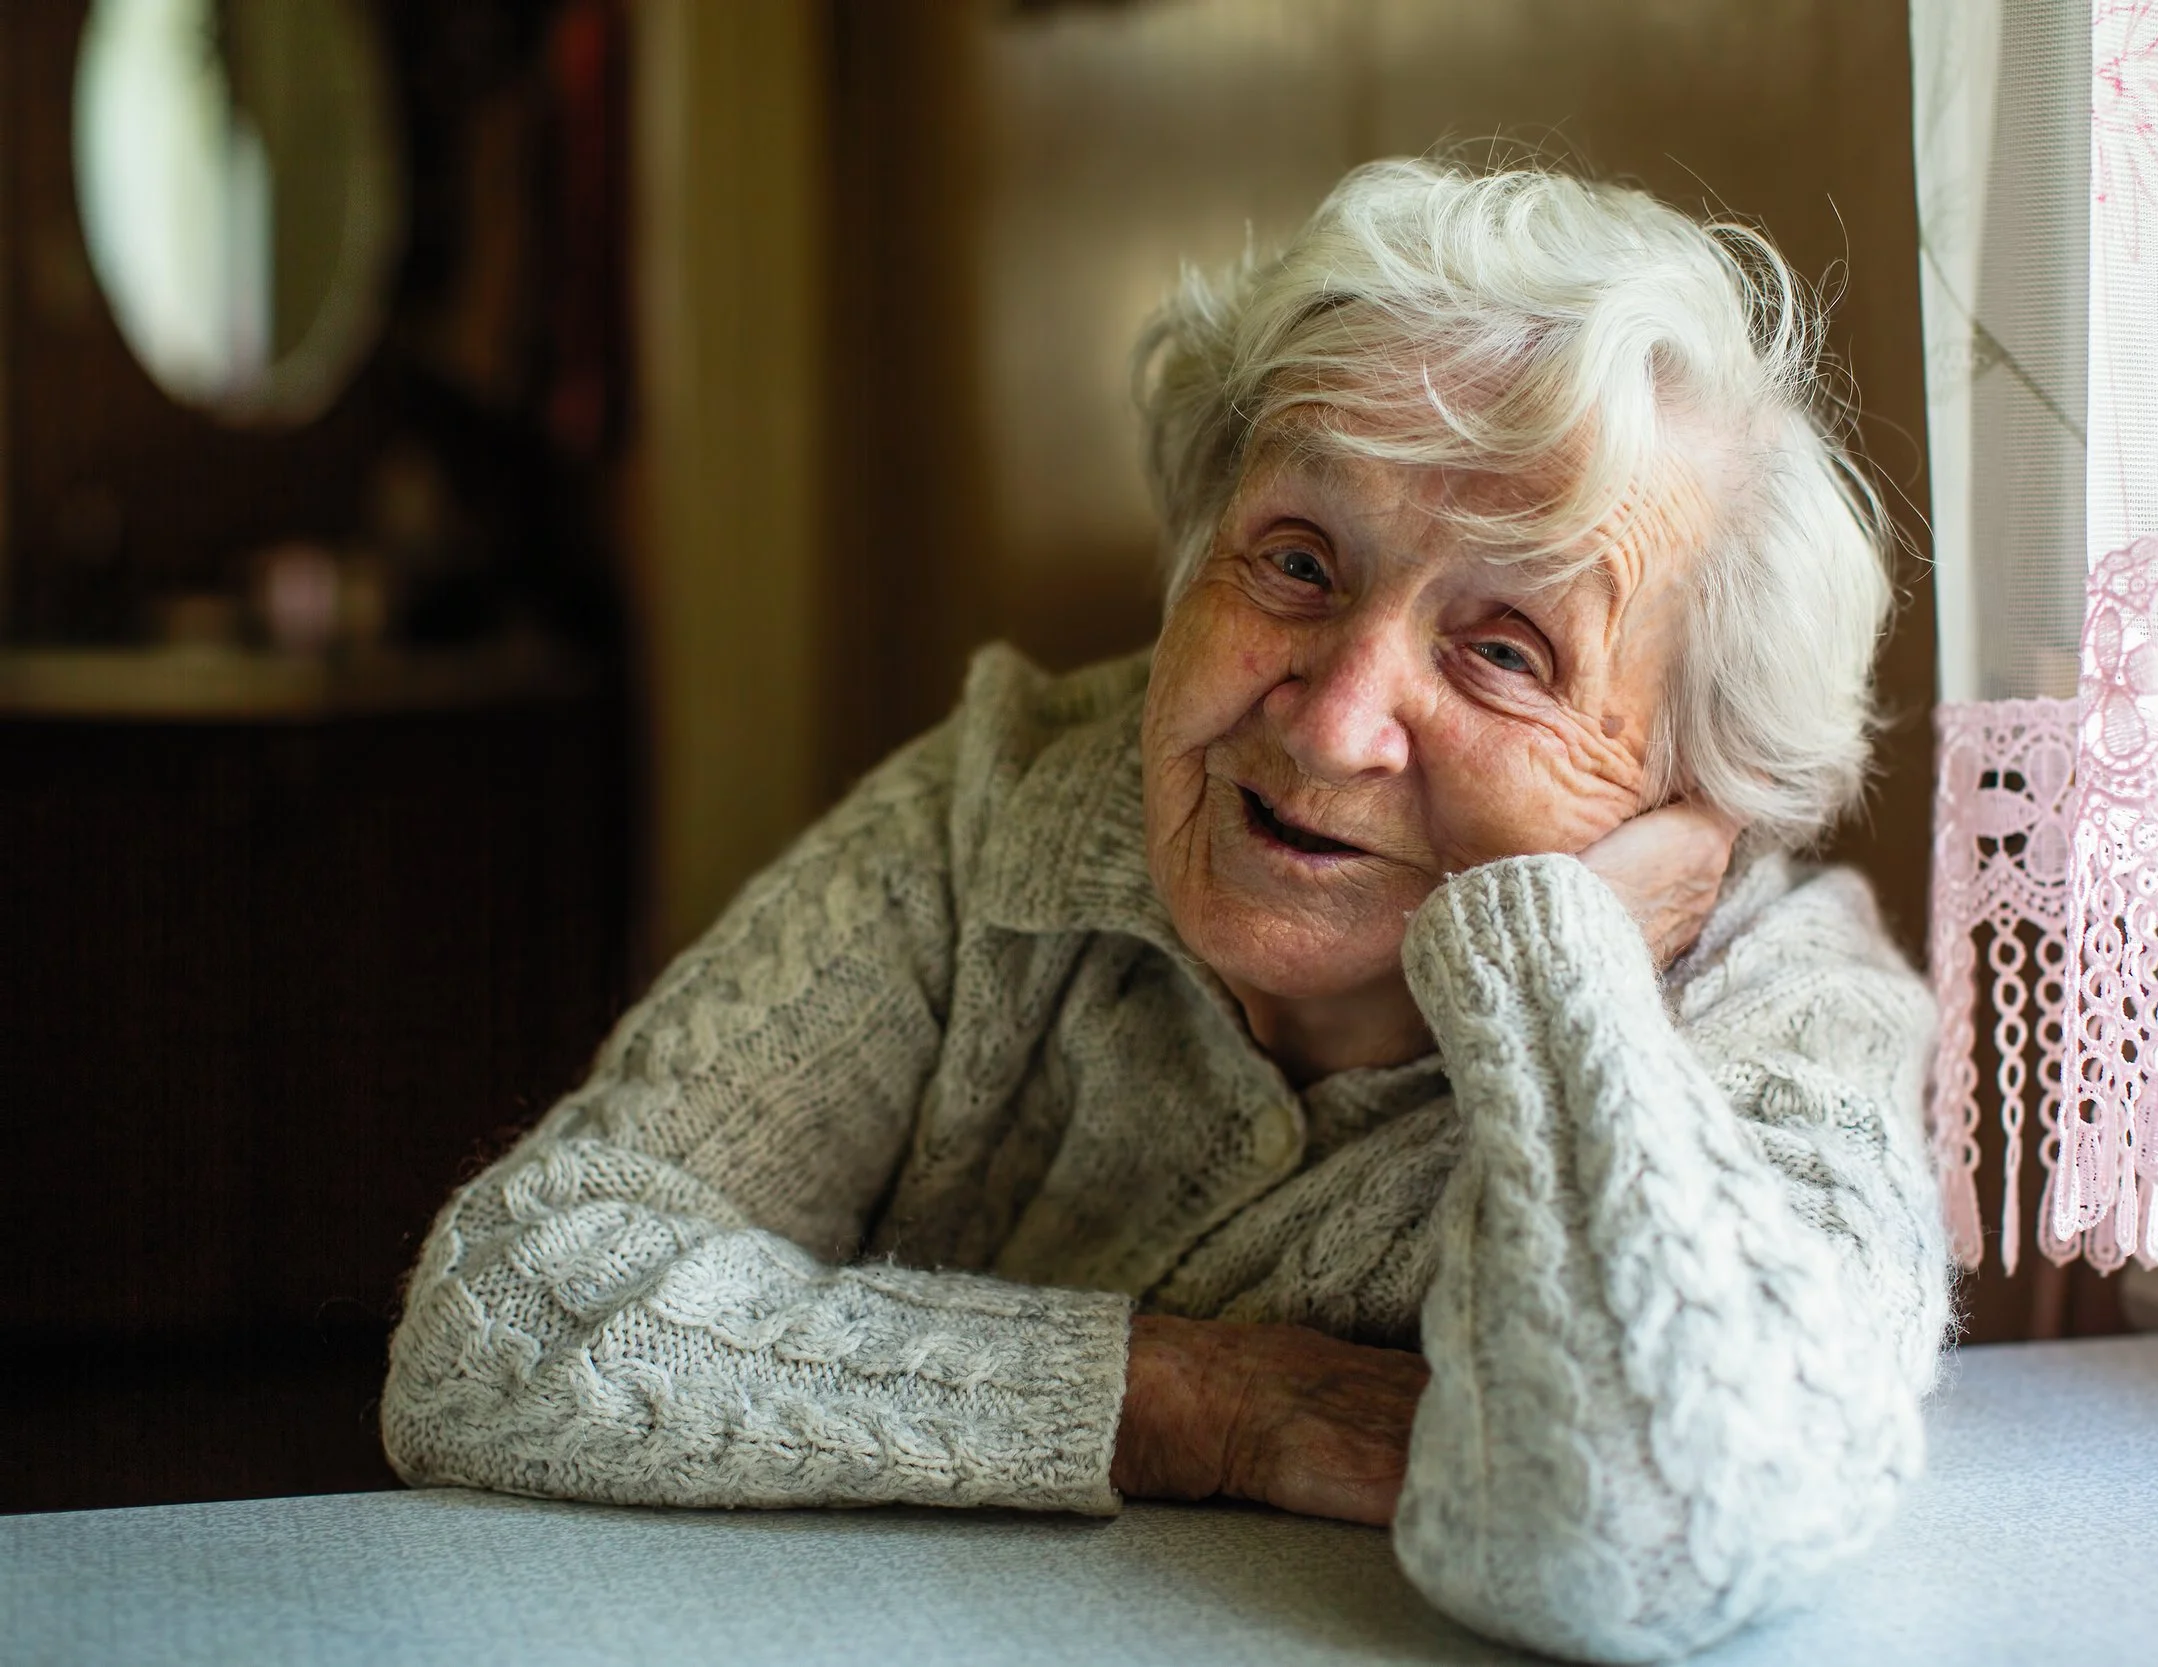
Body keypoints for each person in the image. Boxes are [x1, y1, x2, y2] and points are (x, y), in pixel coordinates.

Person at [382, 156, 1950, 1664]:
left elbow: (1654, 1526)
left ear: (1693, 787)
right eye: (1295, 560)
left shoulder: (1786, 1009)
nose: (1334, 721)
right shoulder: (1011, 808)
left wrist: (1562, 967)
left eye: (1507, 652)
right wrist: (1182, 1397)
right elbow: (496, 1319)